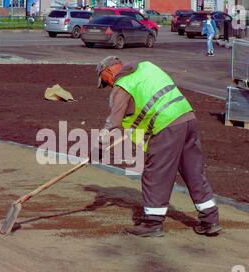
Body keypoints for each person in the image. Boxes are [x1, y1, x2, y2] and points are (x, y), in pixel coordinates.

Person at [94, 56, 222, 237]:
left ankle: (153, 223)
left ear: (108, 72)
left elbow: (113, 123)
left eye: (104, 81)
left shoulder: (123, 85)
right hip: (187, 117)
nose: (107, 85)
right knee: (193, 171)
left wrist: (99, 146)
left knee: (156, 173)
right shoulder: (146, 67)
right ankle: (210, 220)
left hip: (166, 126)